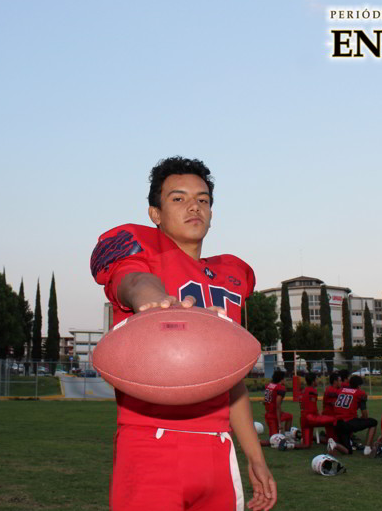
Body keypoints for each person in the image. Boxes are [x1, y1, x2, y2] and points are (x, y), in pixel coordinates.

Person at [91, 156, 275, 511]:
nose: (194, 206)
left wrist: (255, 457)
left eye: (203, 199)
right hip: (150, 445)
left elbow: (229, 379)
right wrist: (159, 303)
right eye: (178, 198)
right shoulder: (141, 253)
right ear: (155, 214)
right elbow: (133, 280)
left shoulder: (231, 274)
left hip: (218, 450)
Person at [329, 375, 377, 456]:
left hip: (337, 424)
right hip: (348, 423)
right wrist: (358, 420)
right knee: (373, 422)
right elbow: (365, 415)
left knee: (348, 451)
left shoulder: (341, 390)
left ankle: (335, 445)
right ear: (359, 386)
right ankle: (367, 448)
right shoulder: (360, 393)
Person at [298, 372, 338, 448]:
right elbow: (313, 408)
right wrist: (320, 415)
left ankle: (289, 445)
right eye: (316, 379)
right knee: (333, 420)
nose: (317, 381)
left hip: (303, 419)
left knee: (306, 445)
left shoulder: (302, 391)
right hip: (310, 418)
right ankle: (331, 440)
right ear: (313, 381)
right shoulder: (313, 391)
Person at [264, 370, 292, 437]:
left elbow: (266, 401)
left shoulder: (269, 385)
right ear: (281, 379)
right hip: (273, 416)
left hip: (268, 414)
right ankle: (258, 442)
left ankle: (287, 436)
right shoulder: (280, 388)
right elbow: (278, 406)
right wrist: (279, 423)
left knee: (289, 416)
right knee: (274, 439)